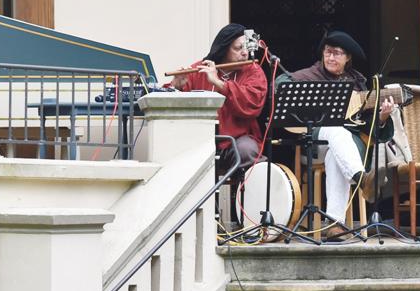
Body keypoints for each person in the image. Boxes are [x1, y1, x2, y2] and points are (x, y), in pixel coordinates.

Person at [279, 30, 395, 237]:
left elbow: (371, 129)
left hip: (348, 149)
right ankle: (361, 179)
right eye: (328, 52)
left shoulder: (358, 85)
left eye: (338, 53)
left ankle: (334, 224)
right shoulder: (311, 75)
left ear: (348, 58)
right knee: (334, 128)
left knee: (335, 155)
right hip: (314, 145)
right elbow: (279, 85)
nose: (331, 57)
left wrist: (383, 117)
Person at [169, 23, 268, 171]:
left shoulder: (253, 71)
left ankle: (245, 192)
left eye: (246, 47)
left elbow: (252, 104)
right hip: (199, 142)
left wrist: (219, 83)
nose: (245, 53)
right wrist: (175, 86)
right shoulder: (201, 69)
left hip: (236, 143)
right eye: (238, 48)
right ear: (223, 49)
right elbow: (171, 106)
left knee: (247, 150)